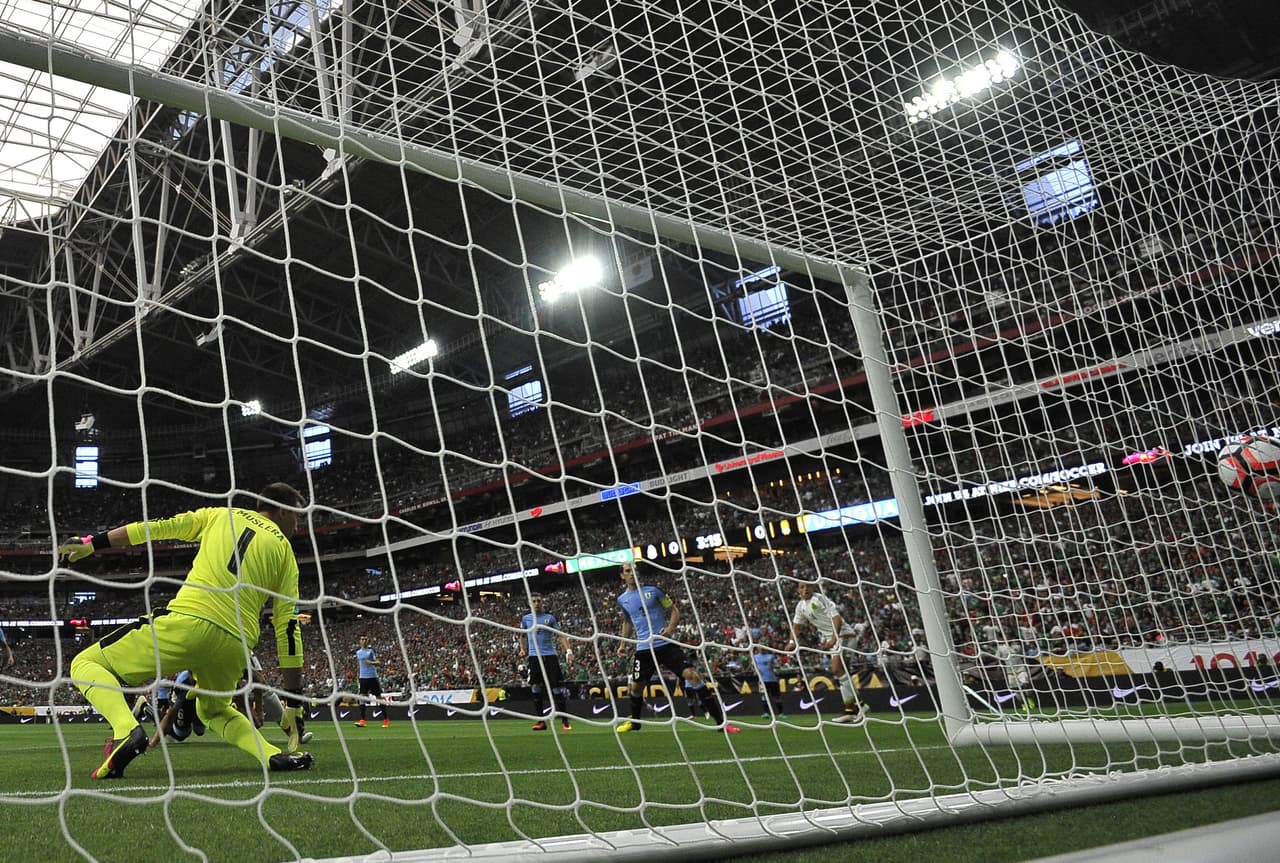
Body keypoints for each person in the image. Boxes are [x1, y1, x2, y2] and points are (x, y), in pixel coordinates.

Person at [60, 483, 313, 779]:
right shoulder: (285, 553)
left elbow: (155, 528)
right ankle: (272, 755)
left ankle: (126, 730)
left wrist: (93, 543)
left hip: (188, 622)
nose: (298, 526)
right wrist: (293, 700)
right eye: (297, 518)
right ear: (282, 511)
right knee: (214, 711)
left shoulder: (220, 514)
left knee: (85, 663)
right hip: (235, 644)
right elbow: (288, 627)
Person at [614, 562, 739, 735]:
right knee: (635, 688)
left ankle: (721, 723)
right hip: (643, 649)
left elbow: (673, 610)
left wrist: (670, 628)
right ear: (622, 576)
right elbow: (627, 621)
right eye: (628, 571)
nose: (631, 573)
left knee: (692, 675)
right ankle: (635, 723)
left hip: (665, 644)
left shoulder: (654, 591)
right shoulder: (622, 600)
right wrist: (622, 644)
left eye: (634, 570)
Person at [786, 578, 865, 724]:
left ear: (813, 588)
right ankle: (850, 711)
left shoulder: (819, 599)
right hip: (835, 639)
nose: (805, 589)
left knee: (836, 669)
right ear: (798, 590)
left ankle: (861, 706)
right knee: (842, 674)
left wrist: (834, 638)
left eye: (808, 586)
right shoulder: (801, 606)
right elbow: (796, 626)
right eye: (802, 587)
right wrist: (791, 642)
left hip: (844, 636)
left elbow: (837, 619)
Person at [518, 593, 574, 731]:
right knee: (535, 687)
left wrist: (568, 651)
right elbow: (521, 635)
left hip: (550, 656)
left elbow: (560, 635)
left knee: (556, 688)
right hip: (534, 657)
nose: (537, 603)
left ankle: (565, 721)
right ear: (530, 604)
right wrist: (522, 648)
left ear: (542, 602)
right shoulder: (526, 619)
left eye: (539, 601)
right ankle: (541, 721)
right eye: (534, 601)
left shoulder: (550, 618)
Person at [354, 635, 388, 727]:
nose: (364, 640)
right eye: (362, 639)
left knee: (378, 697)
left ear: (367, 641)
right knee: (362, 697)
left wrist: (371, 662)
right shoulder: (358, 652)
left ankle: (386, 719)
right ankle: (362, 720)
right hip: (363, 677)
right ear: (360, 641)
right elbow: (360, 665)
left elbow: (378, 662)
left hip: (372, 677)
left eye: (365, 639)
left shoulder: (371, 651)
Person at [752, 639, 785, 718]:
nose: (762, 648)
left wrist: (772, 666)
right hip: (762, 680)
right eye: (760, 647)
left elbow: (778, 666)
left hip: (772, 679)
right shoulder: (755, 657)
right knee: (764, 697)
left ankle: (781, 713)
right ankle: (766, 713)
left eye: (763, 646)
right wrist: (755, 670)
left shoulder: (771, 656)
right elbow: (753, 666)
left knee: (777, 697)